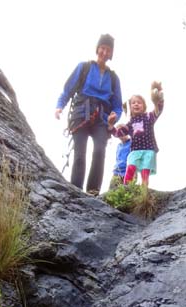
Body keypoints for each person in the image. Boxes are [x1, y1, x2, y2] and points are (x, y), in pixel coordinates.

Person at [55, 34, 123, 195]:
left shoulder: (113, 78)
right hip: (81, 114)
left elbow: (117, 105)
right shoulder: (84, 67)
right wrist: (59, 106)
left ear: (111, 54)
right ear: (98, 49)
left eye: (108, 50)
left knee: (100, 151)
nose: (105, 53)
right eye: (103, 48)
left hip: (102, 118)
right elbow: (68, 89)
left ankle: (93, 191)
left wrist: (115, 117)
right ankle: (76, 191)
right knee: (80, 154)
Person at [108, 82, 164, 188]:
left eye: (139, 102)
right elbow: (118, 133)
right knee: (131, 167)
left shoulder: (148, 117)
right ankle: (127, 188)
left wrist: (158, 101)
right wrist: (111, 126)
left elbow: (158, 111)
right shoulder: (130, 123)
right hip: (135, 151)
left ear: (144, 106)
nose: (136, 104)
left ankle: (144, 190)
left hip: (148, 149)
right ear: (130, 107)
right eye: (133, 103)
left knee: (145, 171)